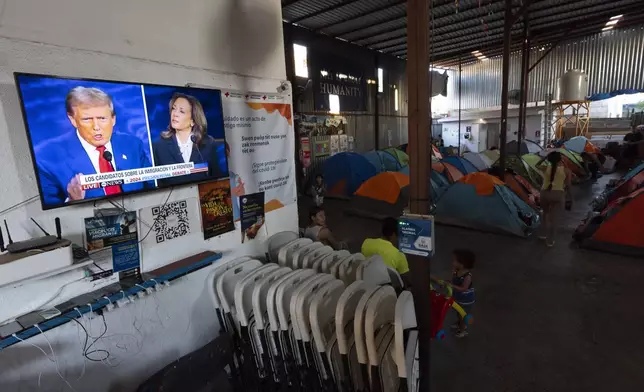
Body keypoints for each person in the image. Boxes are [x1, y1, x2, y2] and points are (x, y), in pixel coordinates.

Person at [36, 87, 154, 206]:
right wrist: (72, 201)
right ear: (73, 120)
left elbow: (153, 186)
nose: (96, 127)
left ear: (113, 119)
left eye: (102, 118)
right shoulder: (46, 158)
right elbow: (49, 213)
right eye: (87, 119)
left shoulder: (132, 144)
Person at [152, 92, 227, 187]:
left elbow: (216, 178)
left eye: (181, 111)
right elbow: (158, 182)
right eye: (174, 109)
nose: (175, 114)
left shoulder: (208, 143)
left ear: (193, 120)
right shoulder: (159, 145)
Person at [431, 249, 476, 338]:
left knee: (463, 314)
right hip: (457, 297)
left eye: (455, 261)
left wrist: (451, 286)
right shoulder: (456, 270)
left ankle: (462, 330)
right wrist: (447, 283)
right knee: (458, 312)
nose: (453, 262)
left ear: (462, 264)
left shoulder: (467, 276)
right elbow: (453, 281)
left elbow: (463, 288)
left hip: (466, 300)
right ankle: (459, 322)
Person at [361, 217, 410, 285]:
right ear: (393, 235)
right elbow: (406, 281)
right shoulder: (399, 254)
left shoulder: (366, 243)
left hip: (367, 283)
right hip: (387, 290)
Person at [537, 151, 571, 247]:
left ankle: (543, 234)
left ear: (549, 159)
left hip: (544, 193)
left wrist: (544, 158)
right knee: (554, 218)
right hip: (558, 195)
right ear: (560, 159)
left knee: (545, 213)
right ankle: (550, 241)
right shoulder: (566, 170)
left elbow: (537, 165)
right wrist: (571, 198)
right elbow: (568, 186)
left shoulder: (545, 168)